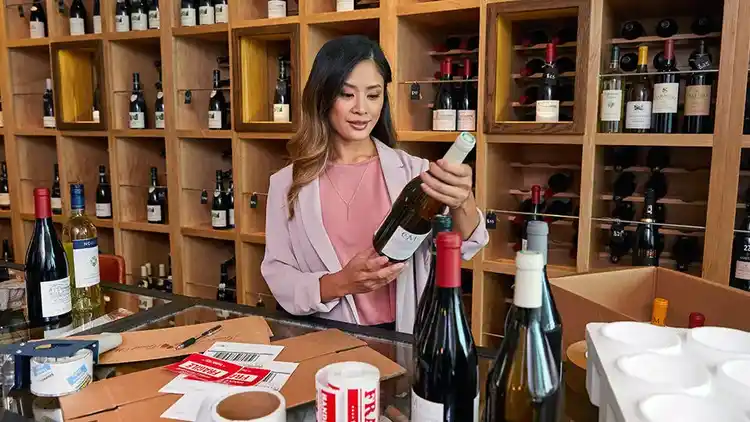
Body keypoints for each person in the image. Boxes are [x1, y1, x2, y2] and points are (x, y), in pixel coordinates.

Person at [261, 35, 488, 333]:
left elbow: (463, 246)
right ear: (323, 97)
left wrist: (463, 201)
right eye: (346, 94)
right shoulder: (287, 184)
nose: (362, 109)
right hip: (323, 339)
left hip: (403, 336)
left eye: (373, 95)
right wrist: (342, 282)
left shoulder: (414, 173)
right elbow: (278, 274)